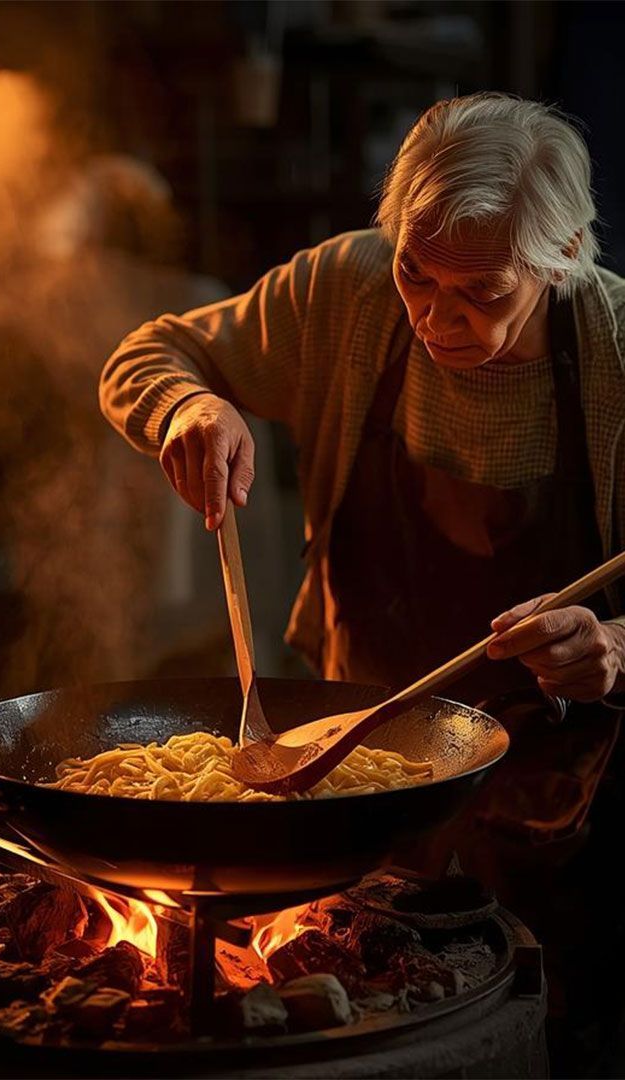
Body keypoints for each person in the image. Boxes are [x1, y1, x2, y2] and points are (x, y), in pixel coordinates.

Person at [98, 92, 625, 1070]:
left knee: (552, 1026)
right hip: (348, 775)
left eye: (480, 292)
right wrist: (185, 405)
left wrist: (612, 647)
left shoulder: (616, 359)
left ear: (563, 256)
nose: (433, 315)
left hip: (564, 802)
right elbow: (155, 349)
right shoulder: (345, 292)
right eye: (415, 274)